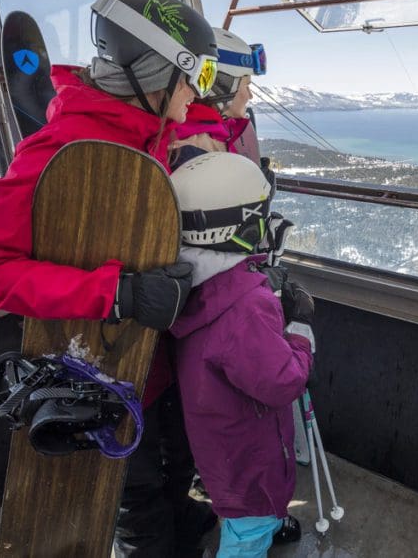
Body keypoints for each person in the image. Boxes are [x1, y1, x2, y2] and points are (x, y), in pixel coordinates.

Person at [0, 0, 222, 557]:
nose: (201, 91)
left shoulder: (152, 131)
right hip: (109, 370)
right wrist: (116, 293)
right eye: (196, 72)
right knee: (136, 496)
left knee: (179, 469)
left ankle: (187, 531)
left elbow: (200, 118)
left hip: (164, 361)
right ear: (157, 73)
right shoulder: (64, 152)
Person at [166, 151, 314, 557]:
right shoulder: (244, 308)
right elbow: (283, 381)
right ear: (243, 226)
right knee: (246, 533)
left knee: (242, 510)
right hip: (252, 457)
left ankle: (268, 523)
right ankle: (258, 533)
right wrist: (300, 329)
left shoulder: (188, 285)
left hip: (221, 444)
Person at [172, 27, 265, 157]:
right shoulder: (194, 148)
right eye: (247, 86)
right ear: (222, 86)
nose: (250, 95)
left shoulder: (217, 132)